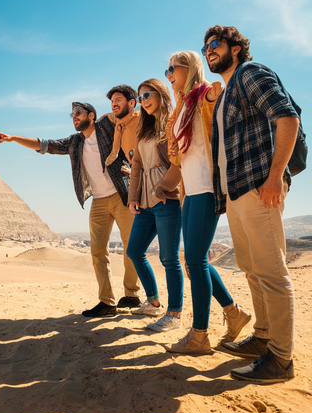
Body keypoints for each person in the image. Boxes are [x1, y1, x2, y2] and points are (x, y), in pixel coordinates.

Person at [204, 25, 299, 383]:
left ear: (237, 47)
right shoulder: (229, 89)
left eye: (215, 44)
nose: (209, 50)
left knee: (272, 273)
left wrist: (275, 176)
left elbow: (287, 117)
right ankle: (262, 339)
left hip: (260, 187)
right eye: (205, 47)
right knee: (252, 268)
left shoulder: (250, 72)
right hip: (236, 193)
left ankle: (281, 360)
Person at [0, 99, 141, 318]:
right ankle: (107, 302)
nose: (74, 117)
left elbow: (125, 118)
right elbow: (45, 145)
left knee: (132, 247)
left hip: (121, 195)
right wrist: (14, 138)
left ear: (91, 115)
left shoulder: (106, 129)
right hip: (98, 201)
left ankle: (131, 294)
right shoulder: (75, 142)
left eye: (78, 113)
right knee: (98, 252)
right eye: (71, 114)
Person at [163, 51, 251, 354]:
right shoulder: (181, 107)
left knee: (196, 261)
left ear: (190, 69)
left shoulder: (204, 95)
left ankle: (199, 336)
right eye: (167, 70)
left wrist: (213, 92)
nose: (169, 74)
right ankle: (234, 313)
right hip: (191, 191)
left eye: (173, 68)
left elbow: (218, 99)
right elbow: (179, 155)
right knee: (194, 261)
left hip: (208, 187)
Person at [125, 79, 184, 332]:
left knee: (169, 258)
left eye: (147, 95)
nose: (144, 100)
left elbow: (179, 161)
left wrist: (163, 187)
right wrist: (133, 196)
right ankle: (153, 301)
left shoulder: (173, 123)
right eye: (140, 97)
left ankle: (174, 314)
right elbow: (136, 164)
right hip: (146, 203)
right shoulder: (144, 129)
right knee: (134, 250)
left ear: (161, 95)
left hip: (166, 199)